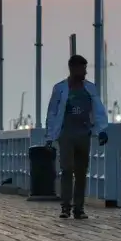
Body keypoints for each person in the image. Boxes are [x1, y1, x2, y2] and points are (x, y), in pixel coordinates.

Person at [45, 54, 110, 220]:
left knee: (81, 172)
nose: (85, 72)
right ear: (72, 68)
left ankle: (78, 208)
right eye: (82, 68)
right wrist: (50, 137)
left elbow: (98, 110)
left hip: (84, 134)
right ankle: (65, 206)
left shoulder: (90, 88)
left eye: (85, 68)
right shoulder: (60, 88)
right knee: (67, 169)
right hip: (66, 134)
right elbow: (52, 112)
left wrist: (101, 130)